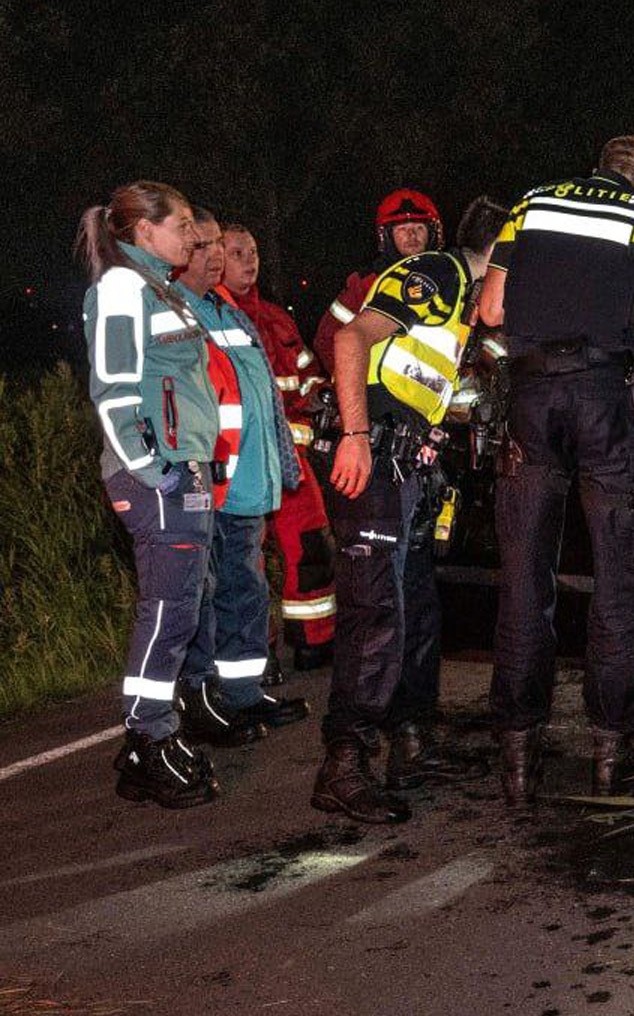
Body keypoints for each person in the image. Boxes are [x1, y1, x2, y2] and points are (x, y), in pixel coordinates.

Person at [477, 135, 634, 805]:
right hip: (606, 399)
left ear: (596, 164)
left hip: (531, 402)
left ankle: (519, 756)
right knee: (618, 581)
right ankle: (610, 751)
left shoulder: (533, 203)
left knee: (523, 582)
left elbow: (490, 310)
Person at [310, 196, 508, 824]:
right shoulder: (440, 274)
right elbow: (349, 338)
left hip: (406, 466)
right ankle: (343, 765)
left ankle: (411, 744)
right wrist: (357, 435)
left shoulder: (464, 304)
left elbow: (413, 374)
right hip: (371, 462)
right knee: (376, 616)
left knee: (416, 610)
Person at [77, 182, 223, 808]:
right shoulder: (120, 287)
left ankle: (151, 738)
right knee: (167, 612)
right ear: (144, 231)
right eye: (184, 223)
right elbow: (112, 387)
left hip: (181, 468)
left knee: (181, 607)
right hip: (158, 474)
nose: (193, 235)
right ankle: (146, 738)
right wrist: (151, 466)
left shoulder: (161, 289)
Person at [172, 208, 309, 742]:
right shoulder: (181, 312)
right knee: (207, 594)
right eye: (201, 246)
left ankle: (243, 695)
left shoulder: (227, 312)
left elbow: (260, 400)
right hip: (211, 483)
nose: (210, 257)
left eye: (215, 247)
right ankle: (204, 700)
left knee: (245, 589)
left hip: (248, 481)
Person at [220, 223, 337, 670]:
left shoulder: (276, 316)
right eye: (236, 253)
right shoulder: (215, 316)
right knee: (244, 561)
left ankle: (314, 640)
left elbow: (306, 374)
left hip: (293, 464)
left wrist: (321, 394)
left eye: (252, 251)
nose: (249, 261)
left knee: (310, 549)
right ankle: (253, 653)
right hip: (242, 462)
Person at [312, 189, 442, 376]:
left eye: (419, 228)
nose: (412, 236)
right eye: (403, 229)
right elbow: (327, 340)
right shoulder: (366, 284)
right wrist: (354, 385)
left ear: (432, 233)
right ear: (387, 236)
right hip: (382, 395)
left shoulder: (447, 276)